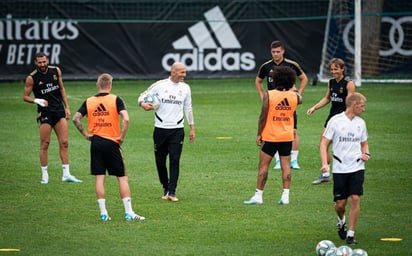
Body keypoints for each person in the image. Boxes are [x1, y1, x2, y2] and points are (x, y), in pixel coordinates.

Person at [72, 73, 145, 221]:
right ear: (110, 85)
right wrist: (122, 137)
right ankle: (129, 213)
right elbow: (126, 118)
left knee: (100, 178)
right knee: (122, 177)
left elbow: (75, 118)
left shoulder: (89, 101)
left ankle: (103, 214)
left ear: (97, 85)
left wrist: (86, 134)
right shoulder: (115, 99)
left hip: (96, 143)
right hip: (112, 142)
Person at [138, 62, 195, 202]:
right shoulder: (160, 85)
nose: (184, 75)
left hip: (177, 130)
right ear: (173, 72)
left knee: (175, 160)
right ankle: (165, 186)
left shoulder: (186, 88)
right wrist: (143, 104)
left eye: (185, 72)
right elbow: (142, 96)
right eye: (182, 72)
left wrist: (192, 127)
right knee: (160, 161)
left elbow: (188, 108)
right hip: (160, 129)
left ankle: (172, 192)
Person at [244, 66, 302, 205]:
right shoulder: (295, 97)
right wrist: (293, 88)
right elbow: (300, 98)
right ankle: (285, 196)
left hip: (270, 135)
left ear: (275, 79)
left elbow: (263, 116)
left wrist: (259, 133)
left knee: (263, 166)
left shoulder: (268, 95)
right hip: (287, 136)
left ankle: (258, 196)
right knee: (286, 166)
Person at [23, 52, 82, 184]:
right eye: (39, 62)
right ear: (35, 62)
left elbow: (61, 89)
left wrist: (67, 107)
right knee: (45, 144)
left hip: (59, 111)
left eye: (44, 61)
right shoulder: (32, 78)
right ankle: (45, 176)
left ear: (47, 60)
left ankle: (66, 175)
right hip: (45, 113)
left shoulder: (56, 71)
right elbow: (25, 96)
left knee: (65, 142)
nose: (42, 64)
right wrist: (37, 100)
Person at [320, 92, 369, 244]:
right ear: (354, 105)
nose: (363, 109)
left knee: (355, 198)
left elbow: (364, 143)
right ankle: (341, 222)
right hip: (340, 168)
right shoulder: (335, 121)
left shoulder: (361, 123)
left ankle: (351, 235)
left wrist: (366, 153)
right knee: (340, 204)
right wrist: (324, 164)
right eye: (362, 106)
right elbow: (323, 144)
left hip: (357, 166)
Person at [255, 40, 308, 170]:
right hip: (273, 105)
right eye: (273, 52)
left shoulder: (291, 65)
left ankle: (294, 160)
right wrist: (263, 97)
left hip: (287, 104)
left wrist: (297, 94)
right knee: (273, 131)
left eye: (278, 52)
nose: (275, 54)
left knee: (293, 131)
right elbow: (258, 81)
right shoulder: (266, 66)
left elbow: (304, 78)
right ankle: (278, 160)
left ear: (283, 51)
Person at [307, 58, 356, 184]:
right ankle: (325, 173)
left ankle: (345, 173)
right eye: (332, 69)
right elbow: (327, 98)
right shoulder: (331, 82)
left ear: (342, 69)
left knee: (340, 147)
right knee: (323, 144)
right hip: (331, 118)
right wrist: (314, 107)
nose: (333, 72)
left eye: (336, 69)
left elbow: (351, 103)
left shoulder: (349, 84)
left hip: (343, 119)